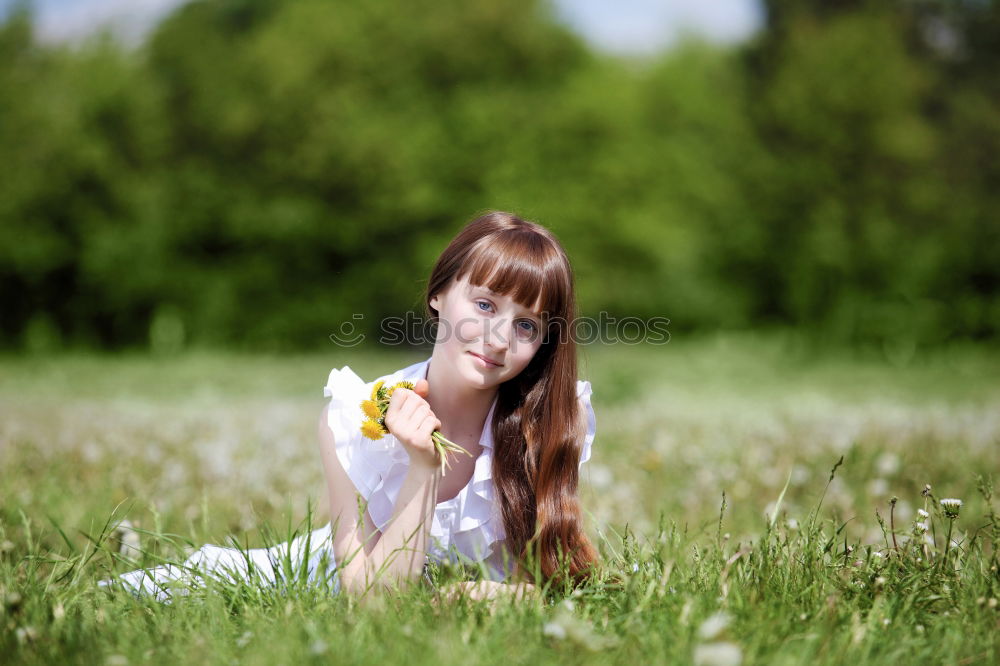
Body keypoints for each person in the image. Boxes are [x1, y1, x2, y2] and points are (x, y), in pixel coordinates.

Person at [100, 211, 599, 604]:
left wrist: (480, 596)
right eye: (485, 305)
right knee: (151, 594)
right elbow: (376, 603)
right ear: (438, 297)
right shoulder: (354, 415)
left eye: (526, 325)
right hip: (327, 574)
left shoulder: (552, 418)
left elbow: (544, 585)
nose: (497, 338)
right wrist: (423, 466)